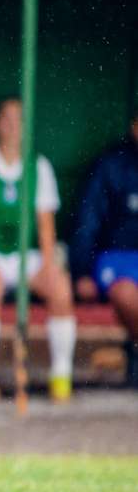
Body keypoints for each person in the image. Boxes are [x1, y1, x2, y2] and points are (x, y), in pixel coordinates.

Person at [0, 98, 74, 402]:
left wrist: (48, 264)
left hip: (27, 256)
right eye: (7, 119)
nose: (13, 125)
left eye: (19, 119)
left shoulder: (38, 166)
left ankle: (61, 375)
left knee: (60, 288)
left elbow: (46, 224)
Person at [70, 112, 138, 388]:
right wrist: (81, 270)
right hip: (116, 258)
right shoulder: (112, 164)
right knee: (126, 293)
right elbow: (88, 221)